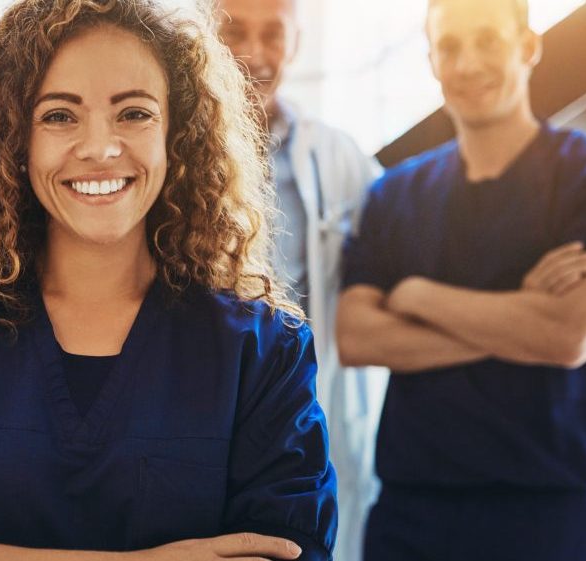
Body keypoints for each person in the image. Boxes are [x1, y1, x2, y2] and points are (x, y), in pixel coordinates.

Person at [0, 1, 337, 560]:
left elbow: (286, 549)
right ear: (13, 139)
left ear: (178, 133)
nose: (100, 149)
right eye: (59, 115)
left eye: (134, 114)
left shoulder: (262, 349)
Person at [337, 0, 586, 558]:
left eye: (488, 41)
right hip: (411, 516)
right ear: (430, 60)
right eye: (449, 46)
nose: (467, 63)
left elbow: (567, 336)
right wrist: (519, 317)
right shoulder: (393, 193)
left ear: (528, 47)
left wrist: (416, 295)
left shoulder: (578, 173)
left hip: (549, 512)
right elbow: (357, 337)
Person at [216, 1, 387, 558]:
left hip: (304, 415)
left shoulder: (337, 157)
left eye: (273, 36)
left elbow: (408, 249)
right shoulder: (160, 150)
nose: (253, 54)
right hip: (209, 405)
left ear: (295, 44)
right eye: (235, 32)